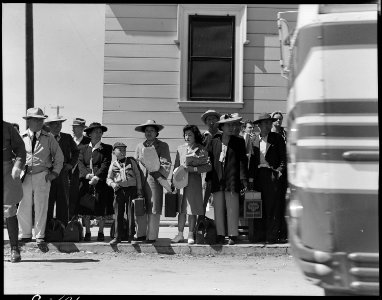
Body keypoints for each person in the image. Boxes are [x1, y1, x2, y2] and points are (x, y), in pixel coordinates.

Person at [17, 108, 64, 245]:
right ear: (29, 121)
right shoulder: (21, 137)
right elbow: (15, 156)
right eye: (36, 119)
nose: (39, 122)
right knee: (23, 205)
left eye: (41, 120)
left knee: (41, 205)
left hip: (42, 175)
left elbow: (59, 157)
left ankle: (39, 235)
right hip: (24, 175)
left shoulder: (49, 138)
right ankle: (25, 234)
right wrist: (16, 171)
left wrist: (54, 173)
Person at [206, 113, 248, 245]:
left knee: (232, 207)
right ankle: (220, 234)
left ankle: (232, 235)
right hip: (217, 179)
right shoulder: (214, 140)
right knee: (218, 208)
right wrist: (208, 179)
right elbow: (210, 161)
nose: (231, 127)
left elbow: (242, 161)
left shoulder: (239, 141)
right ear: (221, 127)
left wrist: (243, 179)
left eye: (233, 125)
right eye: (228, 125)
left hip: (232, 178)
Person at [248, 113, 287, 244]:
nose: (268, 125)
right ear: (259, 125)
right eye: (265, 123)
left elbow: (283, 158)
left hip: (272, 174)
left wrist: (279, 171)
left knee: (273, 206)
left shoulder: (277, 138)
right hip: (259, 175)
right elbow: (252, 162)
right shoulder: (253, 140)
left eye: (269, 123)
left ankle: (272, 236)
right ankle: (259, 236)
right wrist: (251, 179)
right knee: (258, 206)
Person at [171, 125, 211, 244]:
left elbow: (208, 166)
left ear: (195, 136)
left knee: (192, 209)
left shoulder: (201, 149)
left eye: (190, 135)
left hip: (194, 182)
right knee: (181, 209)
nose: (187, 137)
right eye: (185, 135)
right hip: (181, 182)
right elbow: (176, 164)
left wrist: (193, 169)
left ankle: (190, 234)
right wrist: (173, 181)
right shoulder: (180, 148)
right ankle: (179, 234)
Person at [134, 120, 172, 243]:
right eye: (146, 130)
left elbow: (166, 163)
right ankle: (140, 234)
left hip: (155, 179)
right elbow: (135, 164)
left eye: (151, 130)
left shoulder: (162, 145)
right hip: (140, 179)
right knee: (140, 205)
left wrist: (157, 172)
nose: (149, 133)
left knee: (154, 207)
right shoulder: (140, 146)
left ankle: (152, 236)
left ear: (156, 133)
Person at [77, 122, 114, 242]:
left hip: (100, 181)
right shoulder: (82, 148)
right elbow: (80, 163)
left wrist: (97, 177)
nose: (98, 134)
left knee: (101, 207)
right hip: (86, 181)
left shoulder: (107, 148)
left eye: (100, 132)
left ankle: (101, 231)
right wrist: (87, 175)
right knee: (86, 207)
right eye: (95, 132)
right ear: (89, 134)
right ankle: (88, 232)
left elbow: (106, 164)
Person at [45, 115, 79, 226]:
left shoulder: (67, 137)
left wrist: (71, 164)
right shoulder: (45, 137)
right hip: (48, 173)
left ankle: (62, 228)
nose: (58, 126)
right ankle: (48, 229)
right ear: (49, 126)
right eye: (55, 124)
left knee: (63, 201)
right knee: (48, 201)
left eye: (59, 124)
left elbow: (76, 152)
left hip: (63, 173)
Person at [107, 142, 144, 245]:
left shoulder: (131, 161)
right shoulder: (113, 165)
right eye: (120, 150)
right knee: (118, 214)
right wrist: (113, 184)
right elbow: (108, 179)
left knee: (131, 214)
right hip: (119, 191)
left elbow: (137, 175)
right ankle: (117, 237)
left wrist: (139, 189)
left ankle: (131, 237)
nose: (123, 152)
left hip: (131, 190)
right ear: (114, 152)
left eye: (124, 150)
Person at [3, 121, 26, 262]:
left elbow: (20, 148)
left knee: (9, 208)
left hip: (6, 170)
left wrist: (18, 165)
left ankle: (14, 248)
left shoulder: (8, 128)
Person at [270, 111, 288, 242]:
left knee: (282, 203)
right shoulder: (267, 135)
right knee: (272, 204)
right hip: (269, 172)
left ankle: (282, 232)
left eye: (280, 119)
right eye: (276, 119)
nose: (278, 121)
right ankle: (272, 232)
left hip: (283, 173)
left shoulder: (285, 134)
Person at [68, 118, 91, 220]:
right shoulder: (69, 140)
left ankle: (83, 228)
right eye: (73, 127)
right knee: (70, 198)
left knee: (82, 200)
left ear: (82, 129)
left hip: (83, 175)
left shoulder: (88, 141)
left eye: (75, 127)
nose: (73, 129)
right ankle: (71, 223)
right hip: (69, 174)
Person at [200, 109, 222, 212]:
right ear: (206, 122)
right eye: (209, 119)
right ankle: (201, 223)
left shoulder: (223, 136)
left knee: (218, 200)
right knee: (204, 198)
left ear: (218, 121)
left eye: (214, 118)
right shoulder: (202, 136)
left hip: (220, 170)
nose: (211, 121)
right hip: (205, 172)